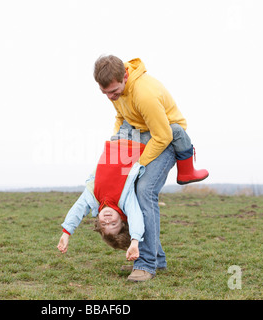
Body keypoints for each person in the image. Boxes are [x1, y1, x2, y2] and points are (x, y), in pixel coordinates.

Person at [93, 55, 209, 281]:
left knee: (144, 191)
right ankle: (157, 257)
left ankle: (146, 264)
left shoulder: (144, 93)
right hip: (140, 136)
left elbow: (163, 135)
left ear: (124, 76)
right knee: (126, 191)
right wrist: (119, 147)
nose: (110, 97)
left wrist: (138, 165)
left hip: (165, 138)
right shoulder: (116, 92)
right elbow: (121, 116)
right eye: (105, 93)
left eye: (114, 91)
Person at [57, 138, 146, 266]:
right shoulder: (125, 200)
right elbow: (136, 217)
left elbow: (78, 209)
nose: (108, 220)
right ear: (123, 221)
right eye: (113, 223)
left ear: (98, 221)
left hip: (116, 140)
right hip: (135, 143)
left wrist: (66, 233)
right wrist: (135, 241)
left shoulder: (93, 197)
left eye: (104, 224)